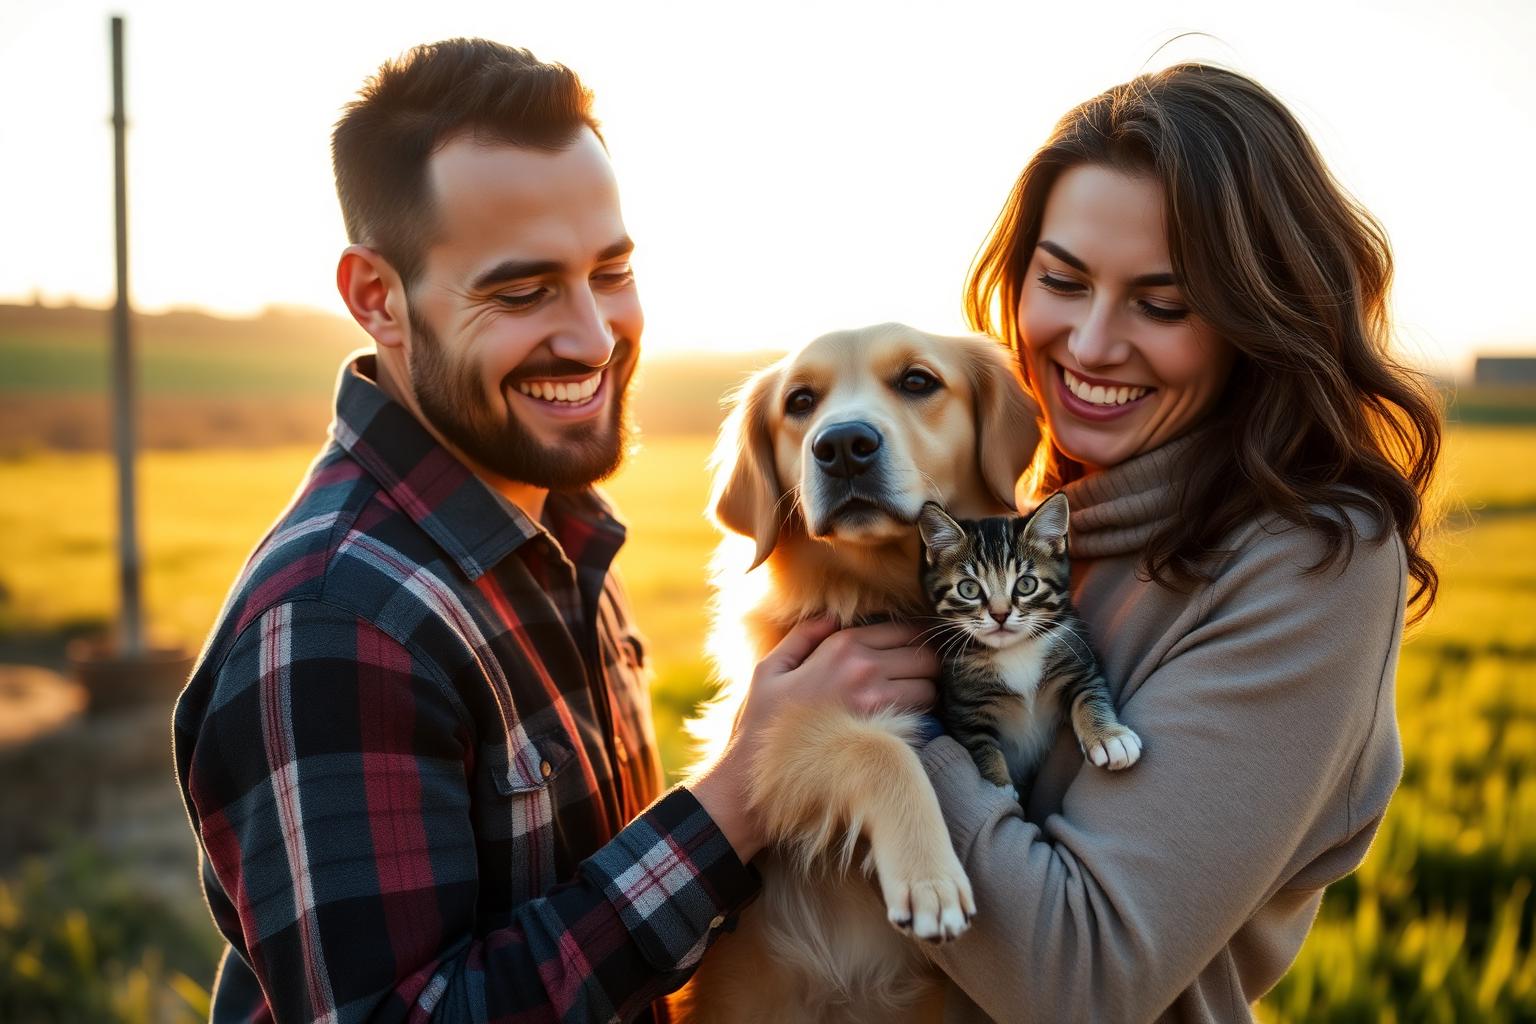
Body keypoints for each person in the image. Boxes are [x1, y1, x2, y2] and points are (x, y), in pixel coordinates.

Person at [170, 39, 937, 1023]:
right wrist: (741, 795)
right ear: (377, 298)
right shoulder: (332, 622)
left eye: (609, 271)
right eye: (522, 291)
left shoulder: (553, 533)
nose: (592, 335)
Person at [915, 64, 1441, 1021]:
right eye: (1062, 281)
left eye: (1163, 304)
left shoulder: (1311, 563)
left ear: (1260, 318)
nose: (1092, 343)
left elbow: (1078, 973)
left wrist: (884, 727)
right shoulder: (1023, 511)